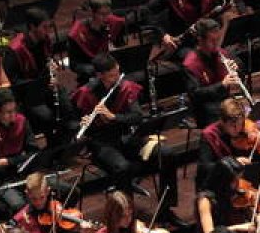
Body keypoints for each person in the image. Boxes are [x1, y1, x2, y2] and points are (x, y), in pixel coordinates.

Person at [72, 54, 184, 224]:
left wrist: (114, 117)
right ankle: (127, 217)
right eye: (112, 75)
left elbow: (137, 116)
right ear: (100, 75)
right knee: (123, 168)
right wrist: (83, 122)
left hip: (127, 138)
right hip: (102, 144)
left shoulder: (125, 87)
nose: (117, 77)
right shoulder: (86, 92)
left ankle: (166, 210)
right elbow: (72, 123)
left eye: (117, 72)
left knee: (167, 153)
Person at [3, 7, 66, 141]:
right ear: (32, 27)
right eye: (44, 27)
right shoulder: (14, 50)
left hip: (43, 87)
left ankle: (64, 146)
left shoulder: (45, 40)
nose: (48, 31)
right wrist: (38, 84)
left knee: (66, 105)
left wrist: (52, 69)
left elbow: (46, 63)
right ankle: (52, 149)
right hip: (26, 95)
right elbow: (12, 82)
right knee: (48, 116)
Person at [181, 18, 246, 127]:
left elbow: (241, 73)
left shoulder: (221, 53)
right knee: (232, 121)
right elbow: (195, 95)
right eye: (212, 41)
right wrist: (222, 85)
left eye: (217, 39)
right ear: (200, 39)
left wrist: (237, 69)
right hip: (206, 109)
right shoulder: (190, 64)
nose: (216, 44)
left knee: (242, 115)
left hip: (226, 102)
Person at [67, 0, 128, 79]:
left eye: (108, 13)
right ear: (92, 13)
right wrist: (96, 71)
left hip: (111, 69)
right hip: (91, 74)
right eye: (102, 14)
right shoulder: (77, 33)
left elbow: (120, 45)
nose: (107, 18)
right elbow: (74, 65)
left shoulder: (113, 22)